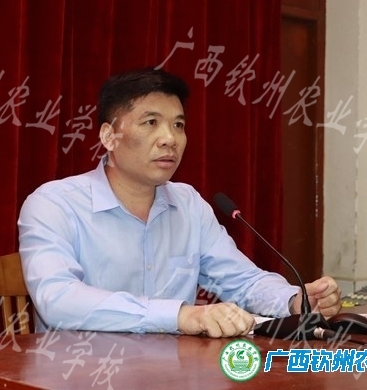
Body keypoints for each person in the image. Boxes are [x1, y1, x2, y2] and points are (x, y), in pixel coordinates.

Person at [17, 67, 341, 338]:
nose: (170, 139)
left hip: (174, 375)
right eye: (151, 122)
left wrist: (295, 301)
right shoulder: (54, 205)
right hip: (81, 374)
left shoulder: (188, 205)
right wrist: (179, 315)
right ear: (109, 136)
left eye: (178, 125)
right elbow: (57, 299)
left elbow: (242, 280)